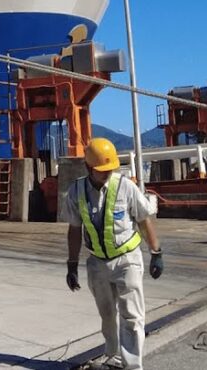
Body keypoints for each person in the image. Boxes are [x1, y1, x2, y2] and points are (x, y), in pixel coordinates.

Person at [64, 138, 163, 370]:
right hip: (97, 263)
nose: (107, 173)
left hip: (127, 260)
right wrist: (72, 264)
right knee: (107, 316)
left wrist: (156, 252)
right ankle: (114, 358)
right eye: (102, 170)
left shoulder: (125, 187)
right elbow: (74, 229)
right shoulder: (76, 191)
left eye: (110, 169)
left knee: (132, 316)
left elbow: (144, 219)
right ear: (88, 167)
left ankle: (132, 366)